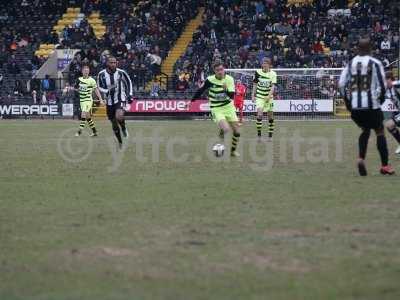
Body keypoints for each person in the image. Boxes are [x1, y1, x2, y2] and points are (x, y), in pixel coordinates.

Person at [339, 38, 394, 176]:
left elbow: (340, 84)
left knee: (365, 130)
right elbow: (382, 85)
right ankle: (385, 166)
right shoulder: (375, 63)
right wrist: (380, 100)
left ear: (357, 48)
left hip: (356, 107)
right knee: (380, 131)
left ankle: (361, 158)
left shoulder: (350, 63)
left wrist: (347, 101)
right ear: (370, 49)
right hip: (371, 106)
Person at [188, 60, 241, 157]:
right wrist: (191, 101)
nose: (220, 71)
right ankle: (223, 130)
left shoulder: (229, 79)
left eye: (221, 69)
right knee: (226, 129)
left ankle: (233, 151)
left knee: (237, 132)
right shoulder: (210, 80)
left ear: (224, 69)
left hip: (228, 107)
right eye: (218, 70)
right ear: (214, 71)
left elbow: (232, 96)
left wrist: (225, 90)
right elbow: (200, 90)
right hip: (217, 108)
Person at [97, 56, 133, 148]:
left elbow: (129, 81)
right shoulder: (101, 74)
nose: (113, 64)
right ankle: (120, 142)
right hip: (109, 101)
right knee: (113, 123)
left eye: (115, 62)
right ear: (107, 63)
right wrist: (106, 91)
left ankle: (124, 128)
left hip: (120, 97)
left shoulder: (121, 72)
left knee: (119, 115)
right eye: (111, 62)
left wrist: (130, 94)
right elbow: (99, 86)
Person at [252, 57, 277, 141]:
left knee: (270, 116)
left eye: (266, 64)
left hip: (269, 98)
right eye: (263, 64)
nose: (264, 66)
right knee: (259, 114)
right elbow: (255, 84)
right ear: (262, 65)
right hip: (260, 97)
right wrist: (253, 95)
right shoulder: (257, 72)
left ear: (269, 65)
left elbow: (273, 86)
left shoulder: (273, 74)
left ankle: (270, 136)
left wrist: (269, 96)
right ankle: (259, 136)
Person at [75, 65, 103, 137]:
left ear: (89, 71)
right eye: (85, 70)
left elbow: (96, 90)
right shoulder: (79, 80)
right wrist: (70, 89)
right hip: (82, 100)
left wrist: (100, 99)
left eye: (87, 70)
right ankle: (94, 131)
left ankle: (79, 131)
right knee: (88, 117)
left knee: (83, 114)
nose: (86, 71)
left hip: (88, 100)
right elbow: (76, 89)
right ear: (82, 71)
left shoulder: (92, 80)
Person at [384, 71, 400, 155]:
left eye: (386, 80)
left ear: (390, 79)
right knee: (389, 125)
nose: (385, 82)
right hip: (397, 112)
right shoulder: (386, 89)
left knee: (390, 124)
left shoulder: (396, 85)